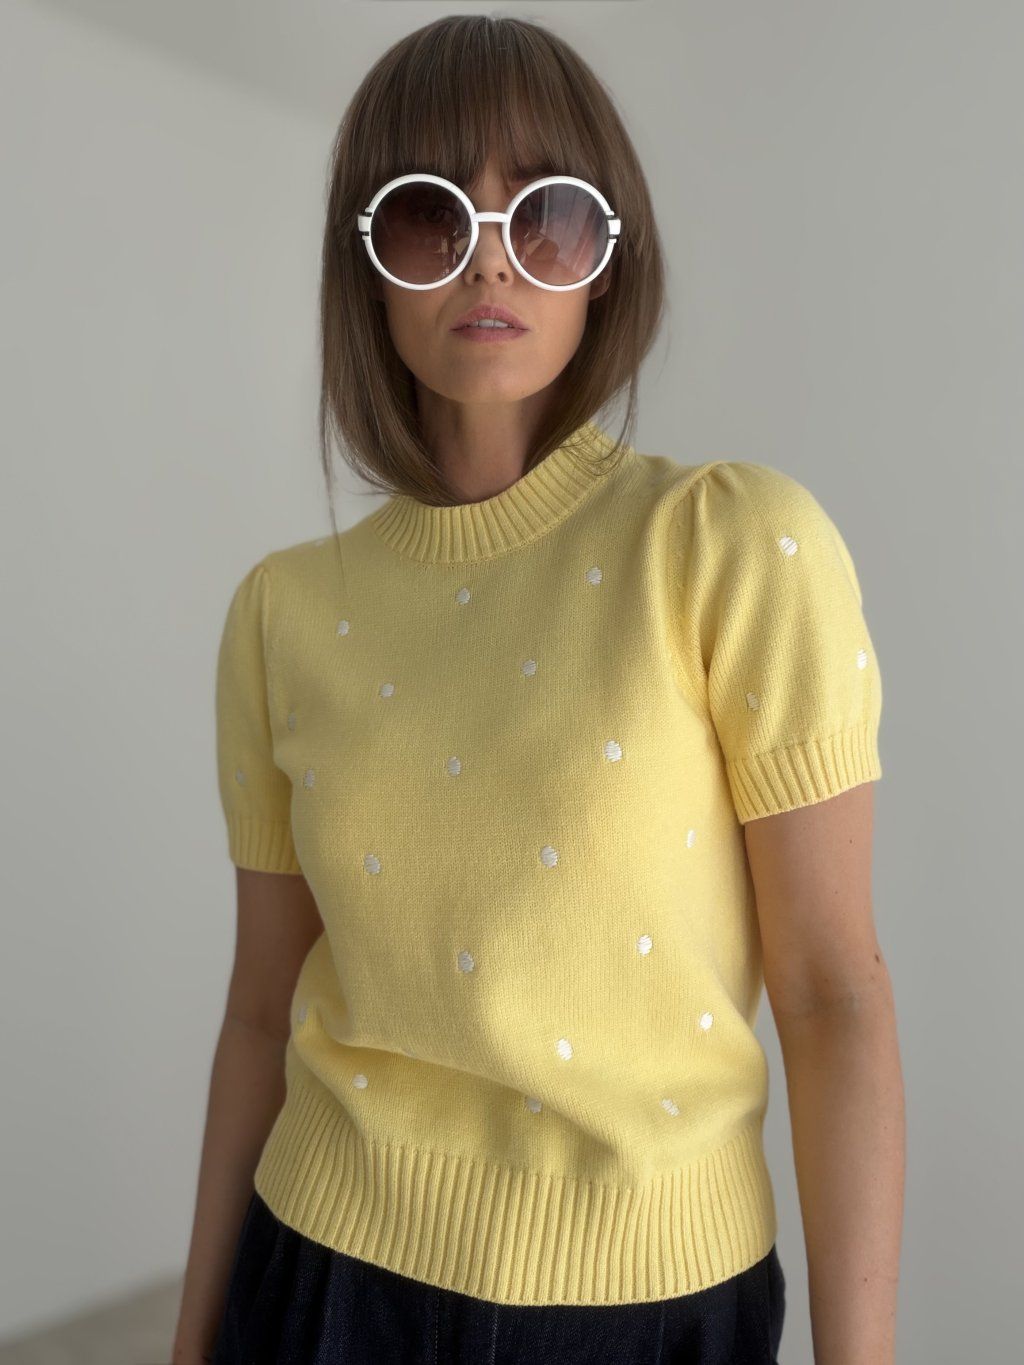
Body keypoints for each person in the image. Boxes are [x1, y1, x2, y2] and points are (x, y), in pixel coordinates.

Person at [173, 14, 904, 1365]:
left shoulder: (732, 544)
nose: (490, 258)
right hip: (322, 1276)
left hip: (654, 1309)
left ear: (609, 257)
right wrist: (190, 1341)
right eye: (428, 214)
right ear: (365, 261)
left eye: (548, 214)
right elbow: (260, 1012)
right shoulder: (282, 612)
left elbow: (832, 995)